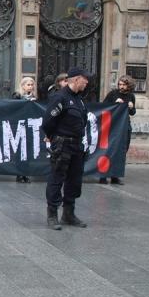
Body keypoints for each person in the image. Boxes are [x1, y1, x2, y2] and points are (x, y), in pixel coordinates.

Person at [42, 67, 92, 230]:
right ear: (76, 79)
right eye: (85, 80)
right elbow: (48, 122)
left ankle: (68, 213)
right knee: (57, 178)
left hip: (77, 144)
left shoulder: (80, 99)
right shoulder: (60, 97)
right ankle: (52, 214)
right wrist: (53, 138)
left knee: (74, 180)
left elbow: (83, 120)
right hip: (62, 144)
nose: (87, 83)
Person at [100, 75, 137, 185]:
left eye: (123, 84)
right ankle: (103, 175)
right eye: (120, 84)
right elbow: (103, 107)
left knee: (122, 150)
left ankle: (115, 176)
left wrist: (131, 107)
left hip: (125, 125)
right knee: (108, 149)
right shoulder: (113, 94)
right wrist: (114, 103)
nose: (121, 87)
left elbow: (133, 112)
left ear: (128, 85)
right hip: (112, 125)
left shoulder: (131, 96)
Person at [12, 76, 37, 183]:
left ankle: (25, 173)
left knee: (28, 151)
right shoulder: (17, 96)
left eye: (32, 85)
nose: (30, 87)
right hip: (19, 127)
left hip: (30, 127)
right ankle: (19, 174)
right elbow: (12, 107)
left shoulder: (35, 97)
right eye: (28, 85)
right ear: (23, 86)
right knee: (20, 151)